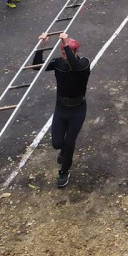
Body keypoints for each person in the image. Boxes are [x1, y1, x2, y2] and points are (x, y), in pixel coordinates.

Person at [33, 32, 91, 189]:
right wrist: (41, 46)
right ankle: (63, 151)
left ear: (77, 52)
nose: (64, 56)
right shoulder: (59, 63)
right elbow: (37, 67)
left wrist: (66, 42)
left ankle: (64, 171)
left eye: (67, 53)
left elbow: (74, 65)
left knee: (70, 142)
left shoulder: (84, 64)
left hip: (77, 110)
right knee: (57, 144)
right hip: (61, 108)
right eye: (63, 53)